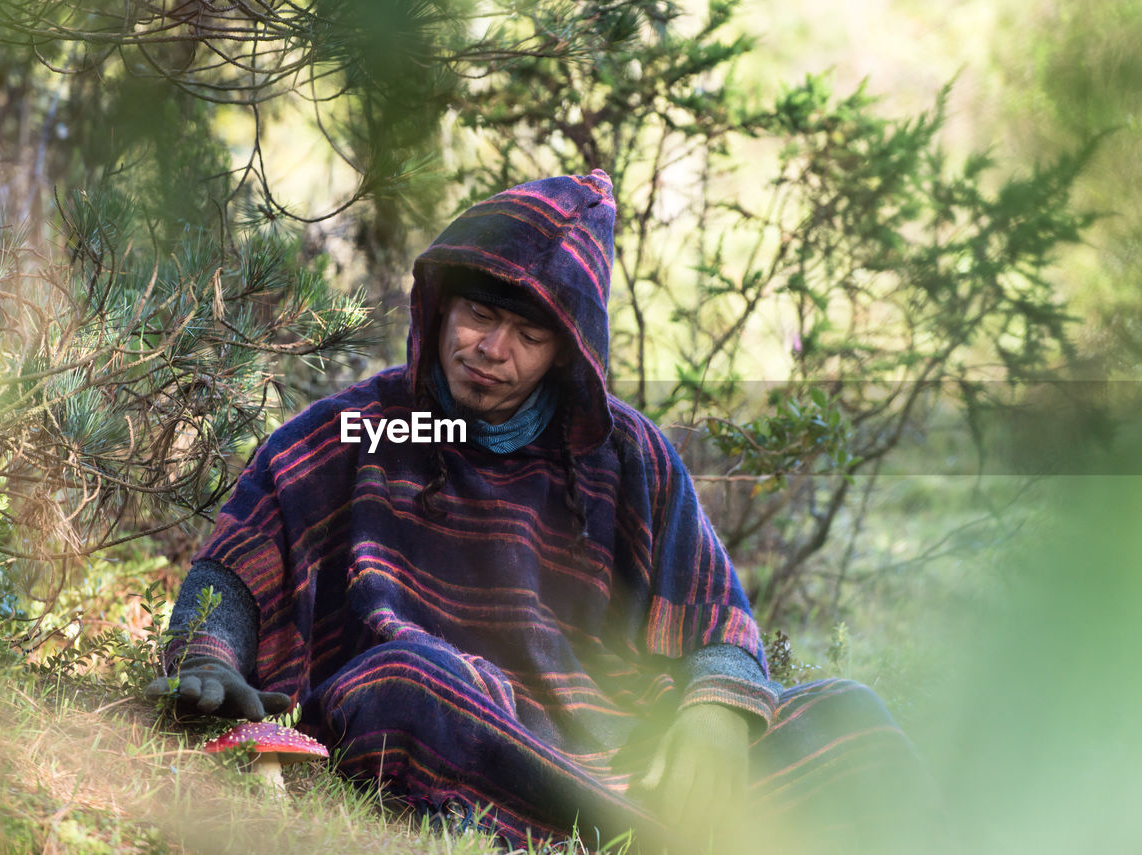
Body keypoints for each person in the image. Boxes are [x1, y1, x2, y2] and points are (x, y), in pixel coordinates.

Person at [147, 171, 932, 852]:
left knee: (848, 716)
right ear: (441, 306)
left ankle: (643, 819)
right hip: (445, 714)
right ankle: (652, 838)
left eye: (527, 334)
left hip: (620, 738)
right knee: (409, 682)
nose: (492, 349)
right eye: (480, 318)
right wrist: (208, 654)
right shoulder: (366, 426)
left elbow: (715, 615)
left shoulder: (625, 454)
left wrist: (716, 715)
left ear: (566, 353)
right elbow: (246, 552)